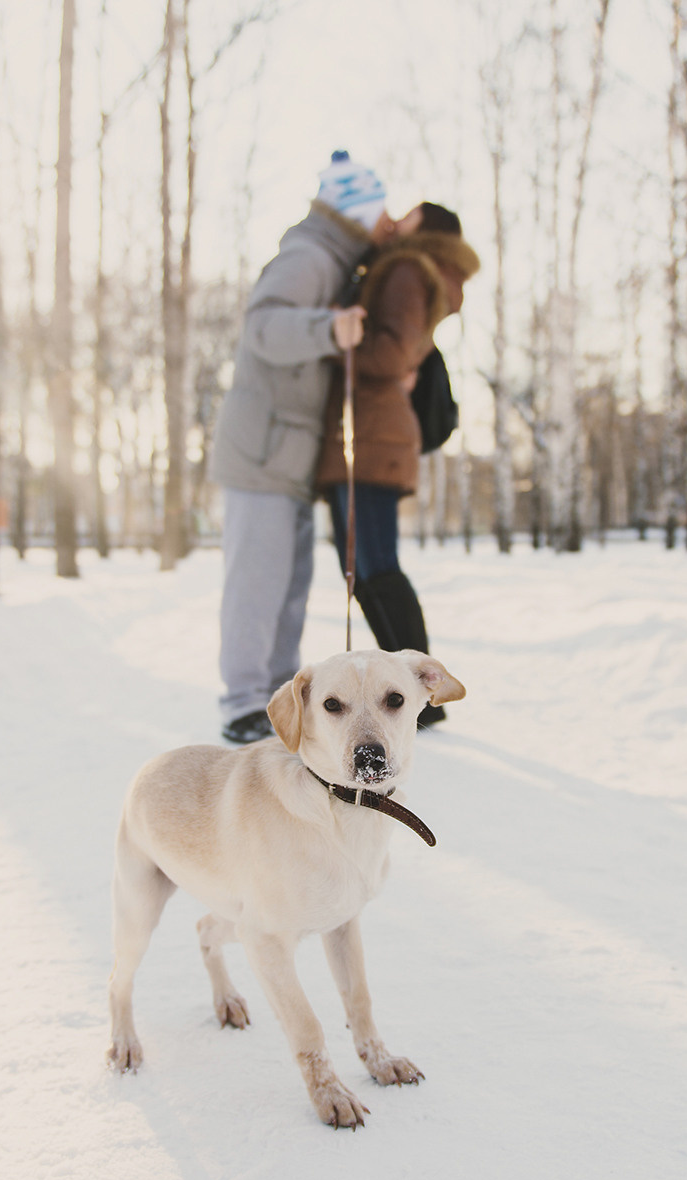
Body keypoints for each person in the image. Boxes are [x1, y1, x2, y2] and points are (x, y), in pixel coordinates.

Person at [209, 152, 414, 746]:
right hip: (264, 451)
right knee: (257, 582)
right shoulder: (309, 256)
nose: (390, 222)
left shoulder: (337, 260)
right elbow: (264, 326)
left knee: (288, 582)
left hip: (289, 457)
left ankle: (273, 700)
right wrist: (328, 329)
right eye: (383, 211)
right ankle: (243, 702)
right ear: (359, 210)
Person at [313, 203, 480, 728]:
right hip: (369, 433)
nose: (392, 219)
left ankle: (419, 702)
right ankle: (413, 697)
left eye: (405, 216)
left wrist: (331, 340)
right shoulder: (409, 269)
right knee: (365, 570)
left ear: (423, 230)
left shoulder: (408, 269)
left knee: (375, 568)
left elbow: (389, 354)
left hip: (372, 434)